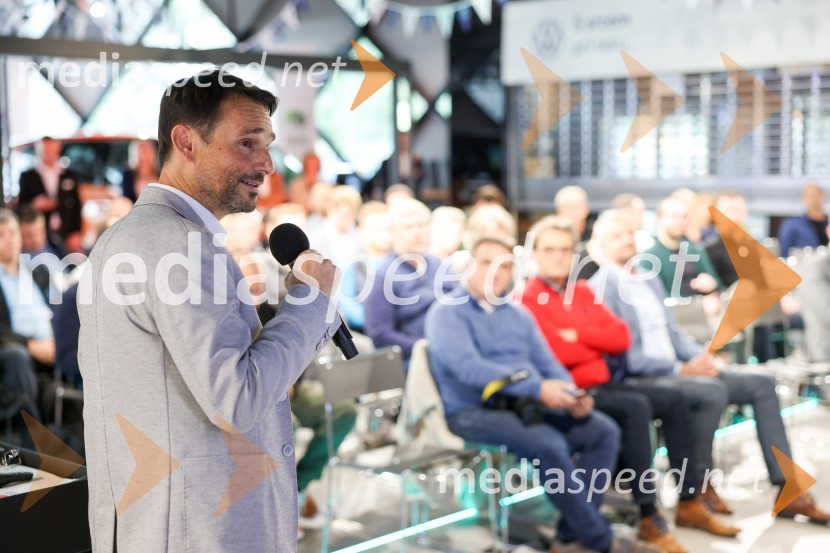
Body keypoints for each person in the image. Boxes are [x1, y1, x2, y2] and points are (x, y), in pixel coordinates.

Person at [78, 69, 342, 553]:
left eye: (267, 145)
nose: (266, 163)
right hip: (201, 529)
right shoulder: (182, 246)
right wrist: (310, 304)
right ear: (186, 141)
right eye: (246, 143)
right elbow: (235, 400)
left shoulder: (124, 238)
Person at [589, 209, 830, 524]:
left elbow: (673, 333)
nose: (625, 241)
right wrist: (681, 369)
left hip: (681, 368)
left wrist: (700, 358)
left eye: (628, 233)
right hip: (644, 377)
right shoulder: (602, 285)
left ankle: (788, 489)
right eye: (615, 236)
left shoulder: (647, 278)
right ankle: (698, 487)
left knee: (761, 384)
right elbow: (627, 355)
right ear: (600, 244)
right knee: (711, 391)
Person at [520, 216, 739, 551]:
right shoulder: (530, 297)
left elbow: (620, 336)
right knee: (635, 407)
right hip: (572, 390)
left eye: (565, 250)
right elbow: (555, 347)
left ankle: (689, 498)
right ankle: (647, 512)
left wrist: (578, 334)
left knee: (672, 400)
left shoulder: (580, 290)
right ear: (534, 253)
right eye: (550, 249)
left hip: (605, 383)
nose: (558, 256)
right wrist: (587, 338)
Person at [426, 236, 657, 553]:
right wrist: (537, 388)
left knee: (601, 431)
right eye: (486, 263)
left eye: (504, 265)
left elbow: (547, 362)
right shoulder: (446, 313)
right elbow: (470, 369)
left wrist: (572, 394)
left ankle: (570, 536)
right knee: (549, 444)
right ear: (468, 266)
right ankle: (601, 541)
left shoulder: (517, 314)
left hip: (525, 403)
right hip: (473, 411)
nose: (495, 272)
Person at [364, 198, 455, 363]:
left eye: (421, 225)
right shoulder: (383, 277)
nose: (417, 232)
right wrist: (424, 347)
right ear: (393, 233)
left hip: (453, 346)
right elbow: (380, 335)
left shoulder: (440, 266)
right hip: (416, 358)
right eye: (408, 227)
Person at [0, 209, 52, 425]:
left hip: (51, 346)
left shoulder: (37, 273)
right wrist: (32, 345)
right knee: (16, 356)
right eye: (1, 236)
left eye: (12, 233)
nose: (9, 240)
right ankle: (35, 438)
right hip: (17, 348)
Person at [645, 196, 721, 299]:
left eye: (684, 216)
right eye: (673, 216)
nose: (680, 221)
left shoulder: (695, 251)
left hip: (699, 310)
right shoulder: (649, 257)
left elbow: (716, 281)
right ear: (660, 219)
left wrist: (711, 283)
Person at [17, 136, 83, 250]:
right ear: (39, 150)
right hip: (41, 234)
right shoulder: (28, 176)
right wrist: (34, 205)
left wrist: (77, 232)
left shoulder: (69, 175)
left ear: (58, 148)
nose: (48, 152)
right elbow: (21, 206)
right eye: (44, 149)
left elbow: (77, 205)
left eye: (51, 148)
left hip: (66, 232)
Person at [777, 183, 829, 256]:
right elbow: (783, 252)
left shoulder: (827, 224)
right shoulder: (792, 225)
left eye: (817, 195)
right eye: (811, 196)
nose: (814, 199)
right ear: (803, 199)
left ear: (822, 196)